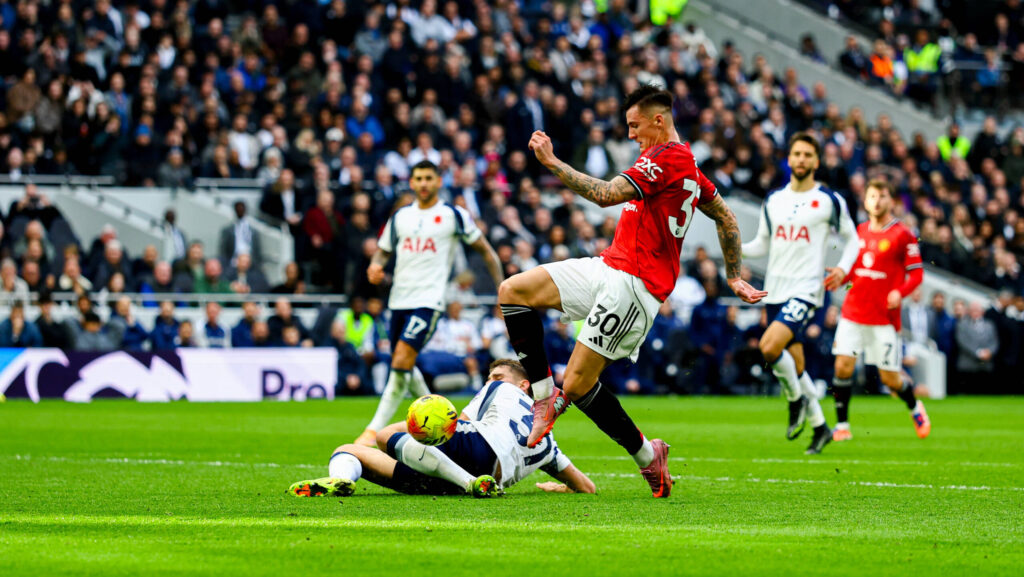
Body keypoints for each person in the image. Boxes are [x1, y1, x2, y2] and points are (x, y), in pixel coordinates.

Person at [497, 85, 766, 498]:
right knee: (513, 290)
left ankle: (644, 455)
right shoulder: (687, 166)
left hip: (635, 285)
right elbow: (726, 217)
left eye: (634, 125)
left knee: (579, 384)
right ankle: (546, 398)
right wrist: (733, 275)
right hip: (609, 265)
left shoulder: (667, 158)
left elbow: (606, 195)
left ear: (659, 120)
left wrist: (551, 162)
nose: (630, 134)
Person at [354, 160, 503, 447]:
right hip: (398, 300)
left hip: (429, 301)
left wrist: (502, 286)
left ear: (438, 181)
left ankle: (372, 431)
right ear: (411, 182)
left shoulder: (453, 215)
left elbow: (486, 250)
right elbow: (383, 252)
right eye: (419, 178)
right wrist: (374, 265)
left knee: (401, 359)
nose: (423, 183)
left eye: (428, 178)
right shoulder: (401, 217)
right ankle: (443, 424)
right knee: (404, 364)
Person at [287, 359, 594, 497]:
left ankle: (468, 482)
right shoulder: (549, 442)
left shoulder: (501, 389)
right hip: (465, 474)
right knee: (349, 451)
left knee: (384, 436)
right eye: (491, 377)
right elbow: (586, 486)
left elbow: (456, 424)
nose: (490, 380)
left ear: (523, 384)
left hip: (475, 452)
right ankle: (341, 481)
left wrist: (419, 420)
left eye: (496, 375)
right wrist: (564, 486)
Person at [742, 132, 859, 455]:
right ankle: (821, 427)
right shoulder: (774, 200)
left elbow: (853, 239)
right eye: (797, 154)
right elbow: (762, 244)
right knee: (795, 364)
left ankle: (795, 401)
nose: (802, 159)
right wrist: (734, 246)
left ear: (816, 161)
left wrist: (843, 268)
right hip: (775, 290)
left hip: (806, 290)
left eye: (808, 154)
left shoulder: (829, 200)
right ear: (789, 159)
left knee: (769, 348)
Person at [826, 180, 930, 441]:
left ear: (891, 201)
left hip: (883, 318)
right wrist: (841, 276)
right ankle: (842, 426)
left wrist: (899, 292)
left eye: (882, 196)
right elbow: (854, 268)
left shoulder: (903, 234)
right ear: (865, 201)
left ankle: (914, 407)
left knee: (890, 379)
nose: (877, 201)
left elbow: (917, 274)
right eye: (872, 196)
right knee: (842, 367)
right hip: (853, 312)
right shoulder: (859, 232)